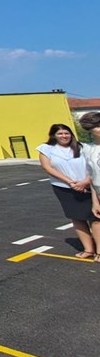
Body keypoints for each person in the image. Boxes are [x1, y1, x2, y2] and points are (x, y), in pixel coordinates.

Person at [37, 123, 96, 259]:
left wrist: (85, 182)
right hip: (64, 188)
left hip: (88, 186)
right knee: (77, 217)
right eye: (60, 133)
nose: (64, 136)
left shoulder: (82, 147)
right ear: (54, 135)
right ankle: (88, 249)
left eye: (66, 133)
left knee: (95, 218)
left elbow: (93, 165)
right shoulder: (46, 149)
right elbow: (48, 168)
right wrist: (70, 182)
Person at [71, 112, 100, 261]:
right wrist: (95, 202)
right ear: (89, 130)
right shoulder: (90, 150)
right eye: (97, 126)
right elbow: (93, 177)